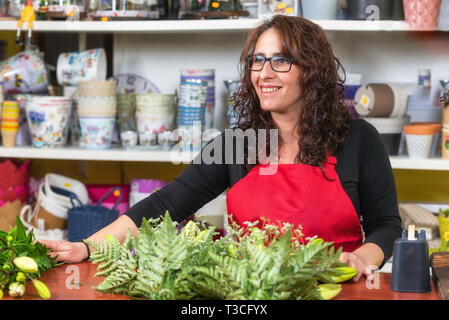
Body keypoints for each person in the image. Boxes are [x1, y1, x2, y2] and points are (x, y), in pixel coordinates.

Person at [39, 15, 402, 282]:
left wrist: (361, 257)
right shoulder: (236, 146)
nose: (264, 73)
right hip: (252, 296)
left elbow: (385, 224)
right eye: (257, 61)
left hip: (337, 291)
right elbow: (166, 204)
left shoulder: (358, 139)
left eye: (281, 60)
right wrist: (87, 247)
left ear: (312, 70)